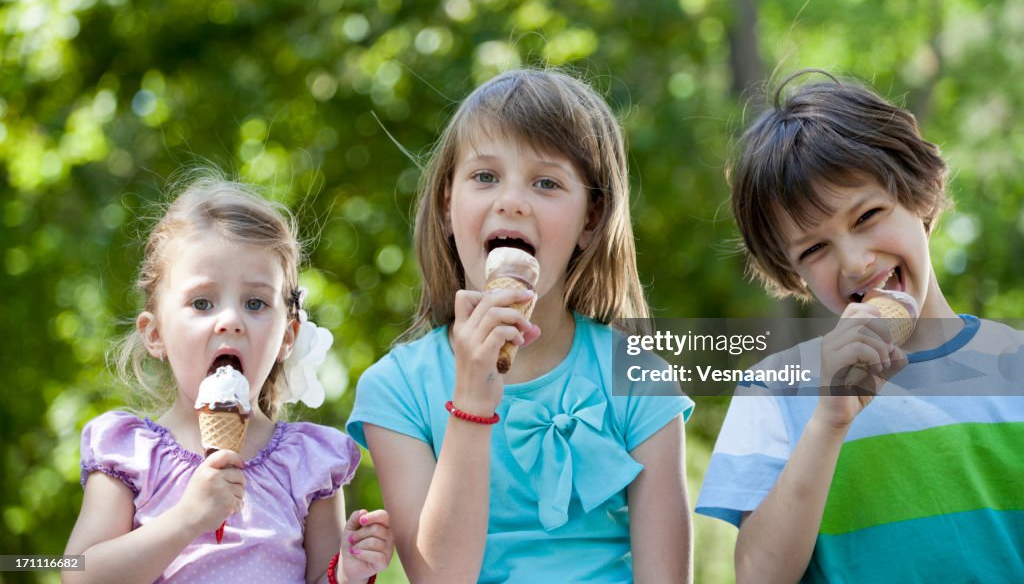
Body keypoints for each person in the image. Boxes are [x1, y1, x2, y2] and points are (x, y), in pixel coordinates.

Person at [346, 69, 694, 583]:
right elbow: (440, 579)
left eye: (546, 182)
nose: (511, 200)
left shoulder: (638, 375)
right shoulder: (396, 390)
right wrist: (471, 403)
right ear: (447, 203)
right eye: (485, 177)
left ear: (591, 220)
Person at [695, 70, 1024, 582]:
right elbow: (758, 574)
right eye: (814, 249)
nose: (854, 261)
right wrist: (828, 419)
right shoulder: (776, 392)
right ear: (792, 273)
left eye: (867, 215)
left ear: (920, 194)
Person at [64, 177, 393, 584]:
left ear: (287, 336)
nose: (231, 321)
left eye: (255, 303)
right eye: (202, 302)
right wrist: (187, 519)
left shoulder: (309, 464)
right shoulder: (130, 454)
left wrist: (349, 572)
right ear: (155, 334)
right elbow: (78, 574)